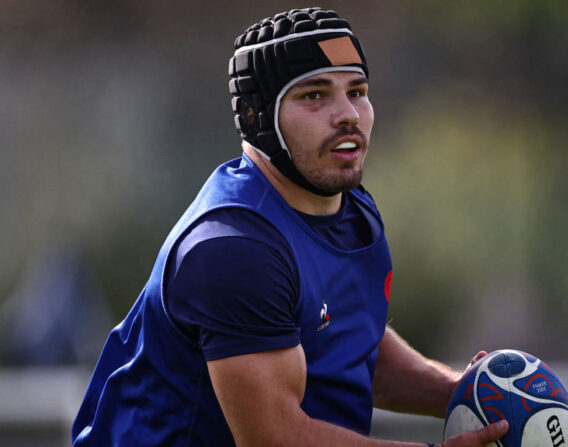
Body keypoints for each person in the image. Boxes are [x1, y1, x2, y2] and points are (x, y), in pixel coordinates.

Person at [72, 8, 509, 447]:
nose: (348, 115)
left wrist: (460, 393)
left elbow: (351, 344)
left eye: (356, 91)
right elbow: (277, 440)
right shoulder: (234, 249)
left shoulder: (351, 208)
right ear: (255, 116)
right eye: (314, 96)